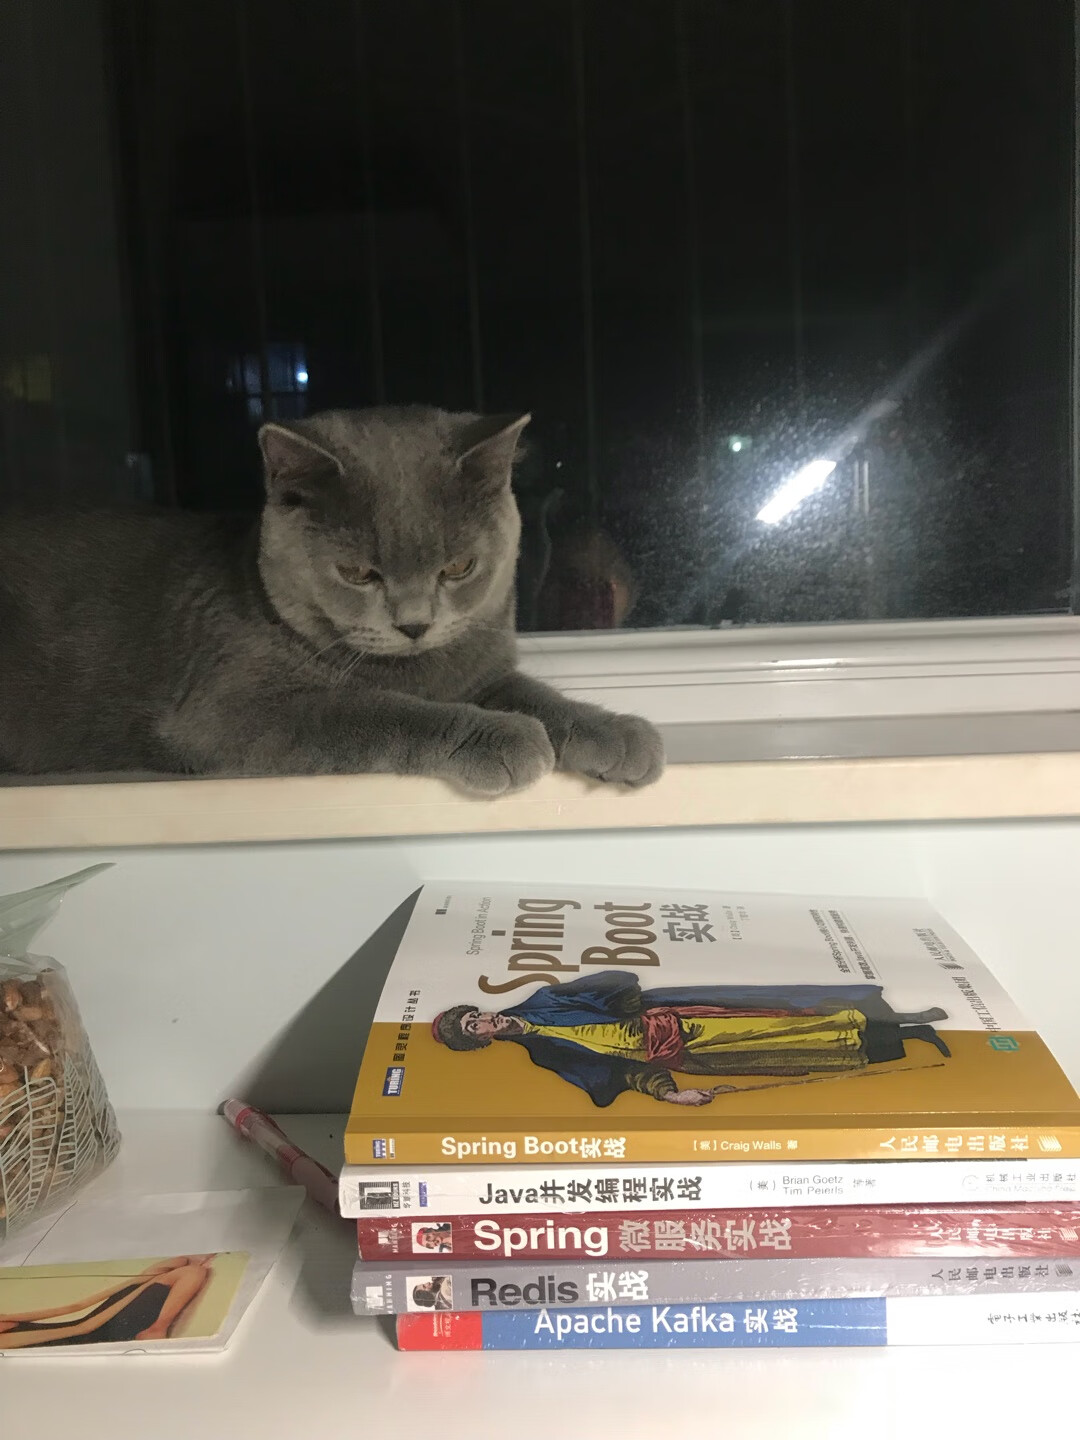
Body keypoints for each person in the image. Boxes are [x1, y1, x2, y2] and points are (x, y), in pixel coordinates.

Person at [432, 971, 949, 1108]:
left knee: (790, 1017)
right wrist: (671, 1094)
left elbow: (617, 980)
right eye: (475, 1029)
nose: (484, 1021)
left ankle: (907, 1017)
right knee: (799, 1046)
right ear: (482, 1042)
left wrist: (628, 1007)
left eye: (475, 1015)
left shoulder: (544, 998)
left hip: (687, 1018)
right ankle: (913, 1037)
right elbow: (624, 1074)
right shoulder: (545, 1054)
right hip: (689, 1054)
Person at [0, 1255, 214, 1349]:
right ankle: (156, 1328)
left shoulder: (5, 1319)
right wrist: (142, 1286)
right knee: (192, 1272)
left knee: (178, 1261)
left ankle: (148, 1284)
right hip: (102, 1334)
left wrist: (137, 1280)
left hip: (94, 1318)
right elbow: (81, 1328)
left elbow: (75, 1307)